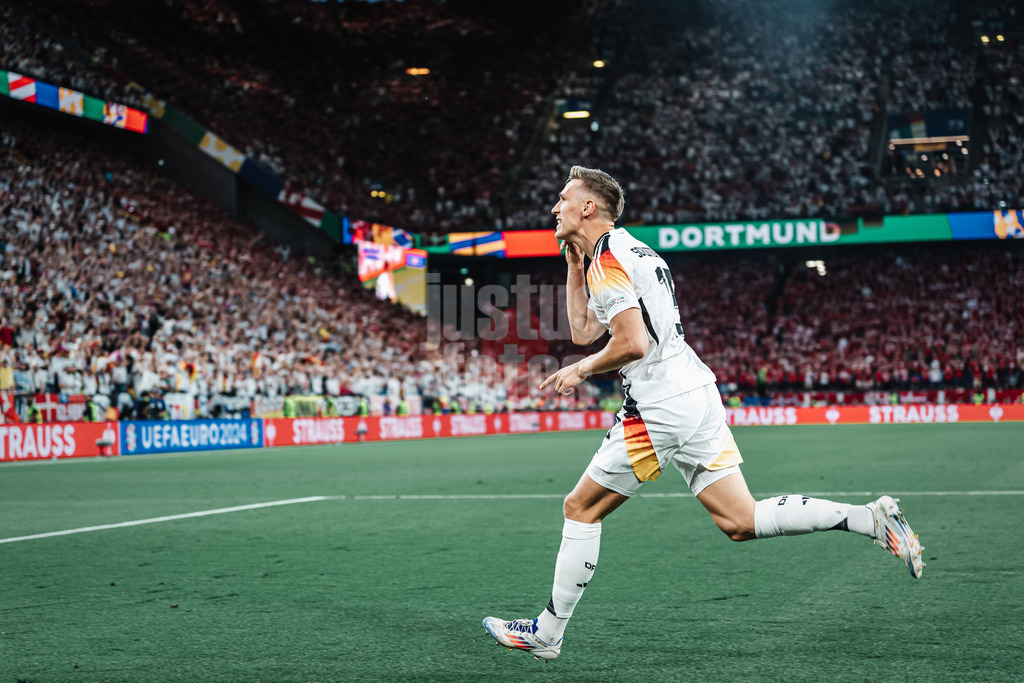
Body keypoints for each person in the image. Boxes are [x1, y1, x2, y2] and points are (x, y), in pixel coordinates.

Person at [482, 166, 925, 662]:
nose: (554, 207)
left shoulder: (608, 261)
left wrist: (580, 371)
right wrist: (572, 265)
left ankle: (548, 632)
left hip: (658, 407)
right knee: (741, 519)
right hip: (695, 392)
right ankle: (870, 518)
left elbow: (629, 343)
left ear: (589, 207)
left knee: (579, 508)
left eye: (563, 198)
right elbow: (585, 330)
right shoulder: (624, 253)